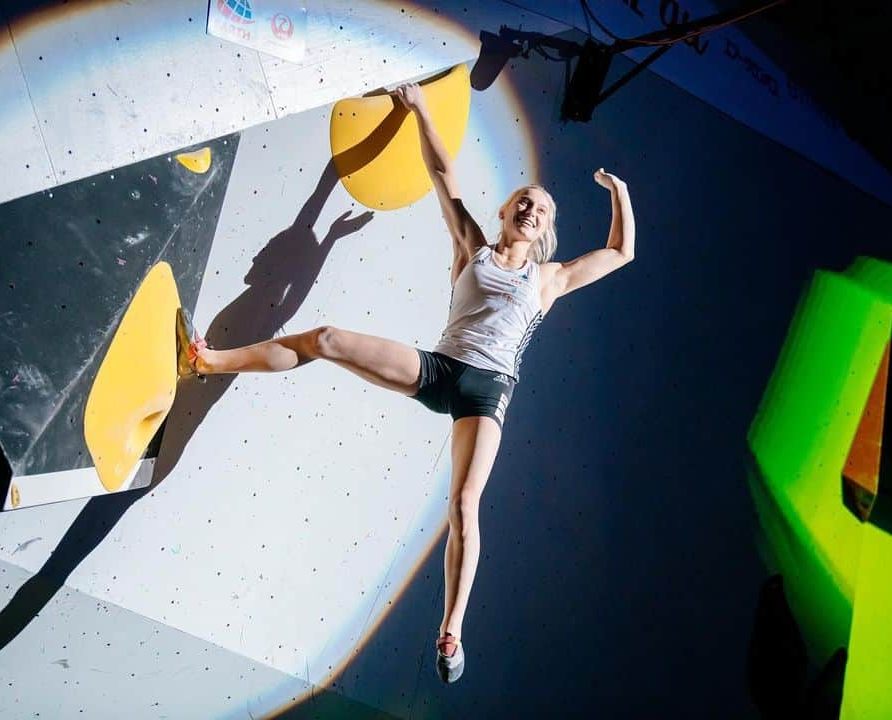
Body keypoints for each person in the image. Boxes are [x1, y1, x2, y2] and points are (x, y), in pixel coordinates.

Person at [178, 81, 635, 684]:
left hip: (486, 393)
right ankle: (206, 362)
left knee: (466, 503)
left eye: (541, 210)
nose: (529, 210)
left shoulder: (548, 281)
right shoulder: (471, 244)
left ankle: (452, 632)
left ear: (546, 230)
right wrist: (418, 108)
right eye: (522, 202)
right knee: (326, 339)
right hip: (441, 369)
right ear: (504, 211)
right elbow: (442, 172)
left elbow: (620, 252)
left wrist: (619, 191)